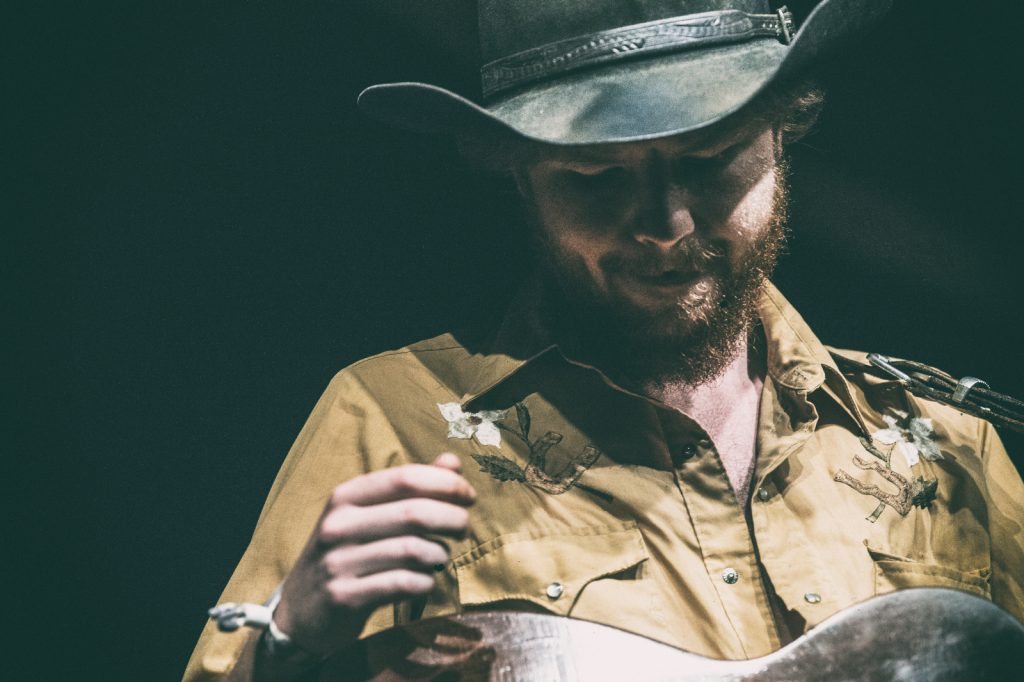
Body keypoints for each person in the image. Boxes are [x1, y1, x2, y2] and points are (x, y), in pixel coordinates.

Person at [185, 0, 1024, 679]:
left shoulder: (946, 447)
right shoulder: (391, 423)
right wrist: (286, 648)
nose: (665, 223)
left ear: (784, 132)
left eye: (708, 159)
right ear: (520, 177)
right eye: (596, 177)